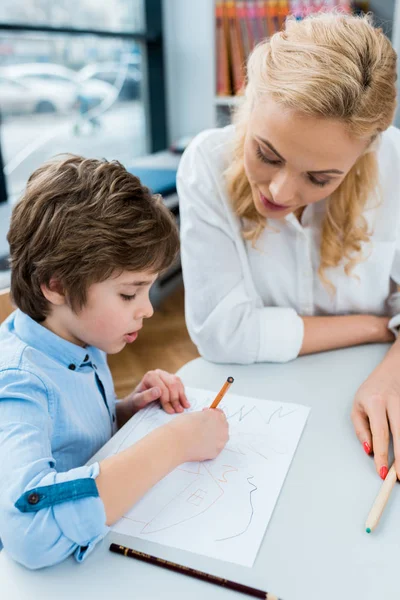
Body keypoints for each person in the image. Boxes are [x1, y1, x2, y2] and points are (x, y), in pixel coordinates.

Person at [177, 12, 400, 481]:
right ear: (250, 98)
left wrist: (392, 372)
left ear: (368, 149)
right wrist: (379, 327)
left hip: (362, 404)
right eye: (267, 154)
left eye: (320, 178)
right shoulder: (207, 162)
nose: (278, 192)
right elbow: (221, 332)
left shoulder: (395, 166)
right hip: (254, 418)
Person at [0, 155, 229, 569]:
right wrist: (174, 443)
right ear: (56, 285)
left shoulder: (79, 335)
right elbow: (28, 530)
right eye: (129, 294)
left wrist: (125, 412)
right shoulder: (17, 384)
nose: (148, 310)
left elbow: (69, 438)